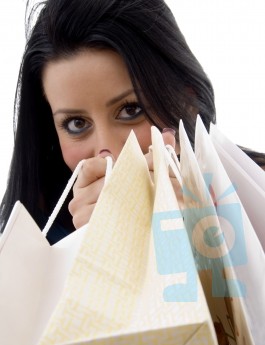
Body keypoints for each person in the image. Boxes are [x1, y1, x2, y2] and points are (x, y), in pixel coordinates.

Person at [0, 0, 264, 244]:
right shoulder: (34, 245)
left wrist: (190, 240)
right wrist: (90, 250)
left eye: (130, 110)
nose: (109, 152)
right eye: (77, 124)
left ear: (187, 100)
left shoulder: (256, 190)